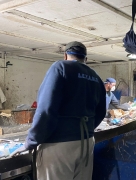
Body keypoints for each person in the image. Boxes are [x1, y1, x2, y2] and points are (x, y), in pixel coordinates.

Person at [10, 41, 107, 180]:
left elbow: (46, 109)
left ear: (65, 55)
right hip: (86, 143)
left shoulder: (60, 67)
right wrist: (85, 130)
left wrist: (31, 141)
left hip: (59, 145)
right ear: (86, 59)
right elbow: (101, 112)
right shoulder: (96, 77)